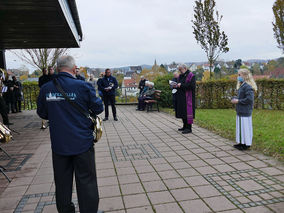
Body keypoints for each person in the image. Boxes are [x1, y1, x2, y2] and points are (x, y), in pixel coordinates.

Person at [37, 55, 104, 213]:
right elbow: (98, 108)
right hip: (82, 143)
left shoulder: (46, 88)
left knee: (62, 184)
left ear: (58, 68)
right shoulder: (82, 86)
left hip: (59, 145)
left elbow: (42, 113)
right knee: (87, 182)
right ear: (74, 69)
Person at [231, 68, 257, 150]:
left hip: (245, 111)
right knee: (240, 128)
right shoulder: (242, 85)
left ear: (245, 76)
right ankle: (241, 142)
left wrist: (238, 101)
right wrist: (235, 98)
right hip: (240, 111)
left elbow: (249, 99)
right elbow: (241, 97)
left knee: (245, 128)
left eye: (239, 75)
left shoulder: (248, 86)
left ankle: (246, 144)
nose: (238, 77)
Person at [174, 64, 196, 134]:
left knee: (187, 112)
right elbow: (179, 83)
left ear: (185, 68)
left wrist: (181, 85)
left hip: (188, 98)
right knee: (183, 112)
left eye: (181, 70)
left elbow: (192, 86)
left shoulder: (191, 75)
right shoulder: (181, 76)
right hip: (181, 97)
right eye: (179, 70)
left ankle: (189, 128)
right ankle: (184, 126)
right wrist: (176, 85)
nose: (180, 71)